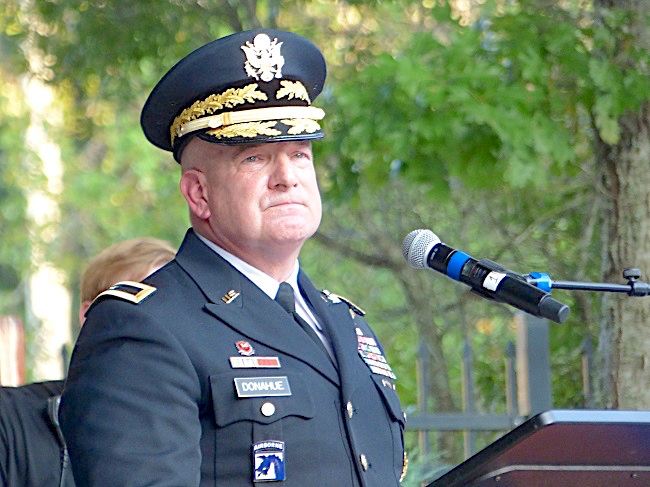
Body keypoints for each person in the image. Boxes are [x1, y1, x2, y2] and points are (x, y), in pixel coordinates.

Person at [60, 29, 407, 486]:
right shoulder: (142, 328)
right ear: (198, 193)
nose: (288, 177)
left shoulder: (345, 323)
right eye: (255, 159)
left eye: (300, 154)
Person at [0, 237, 176, 487]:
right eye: (142, 304)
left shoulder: (209, 429)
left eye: (176, 310)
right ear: (90, 316)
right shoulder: (11, 421)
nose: (162, 326)